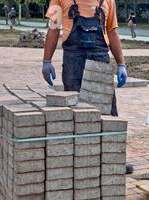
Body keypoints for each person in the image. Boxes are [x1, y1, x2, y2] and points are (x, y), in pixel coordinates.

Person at [42, 0, 133, 174]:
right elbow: (53, 28)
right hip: (73, 60)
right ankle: (76, 162)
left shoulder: (107, 1)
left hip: (99, 57)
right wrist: (47, 60)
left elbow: (112, 32)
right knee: (74, 111)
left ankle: (114, 159)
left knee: (107, 111)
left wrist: (122, 64)